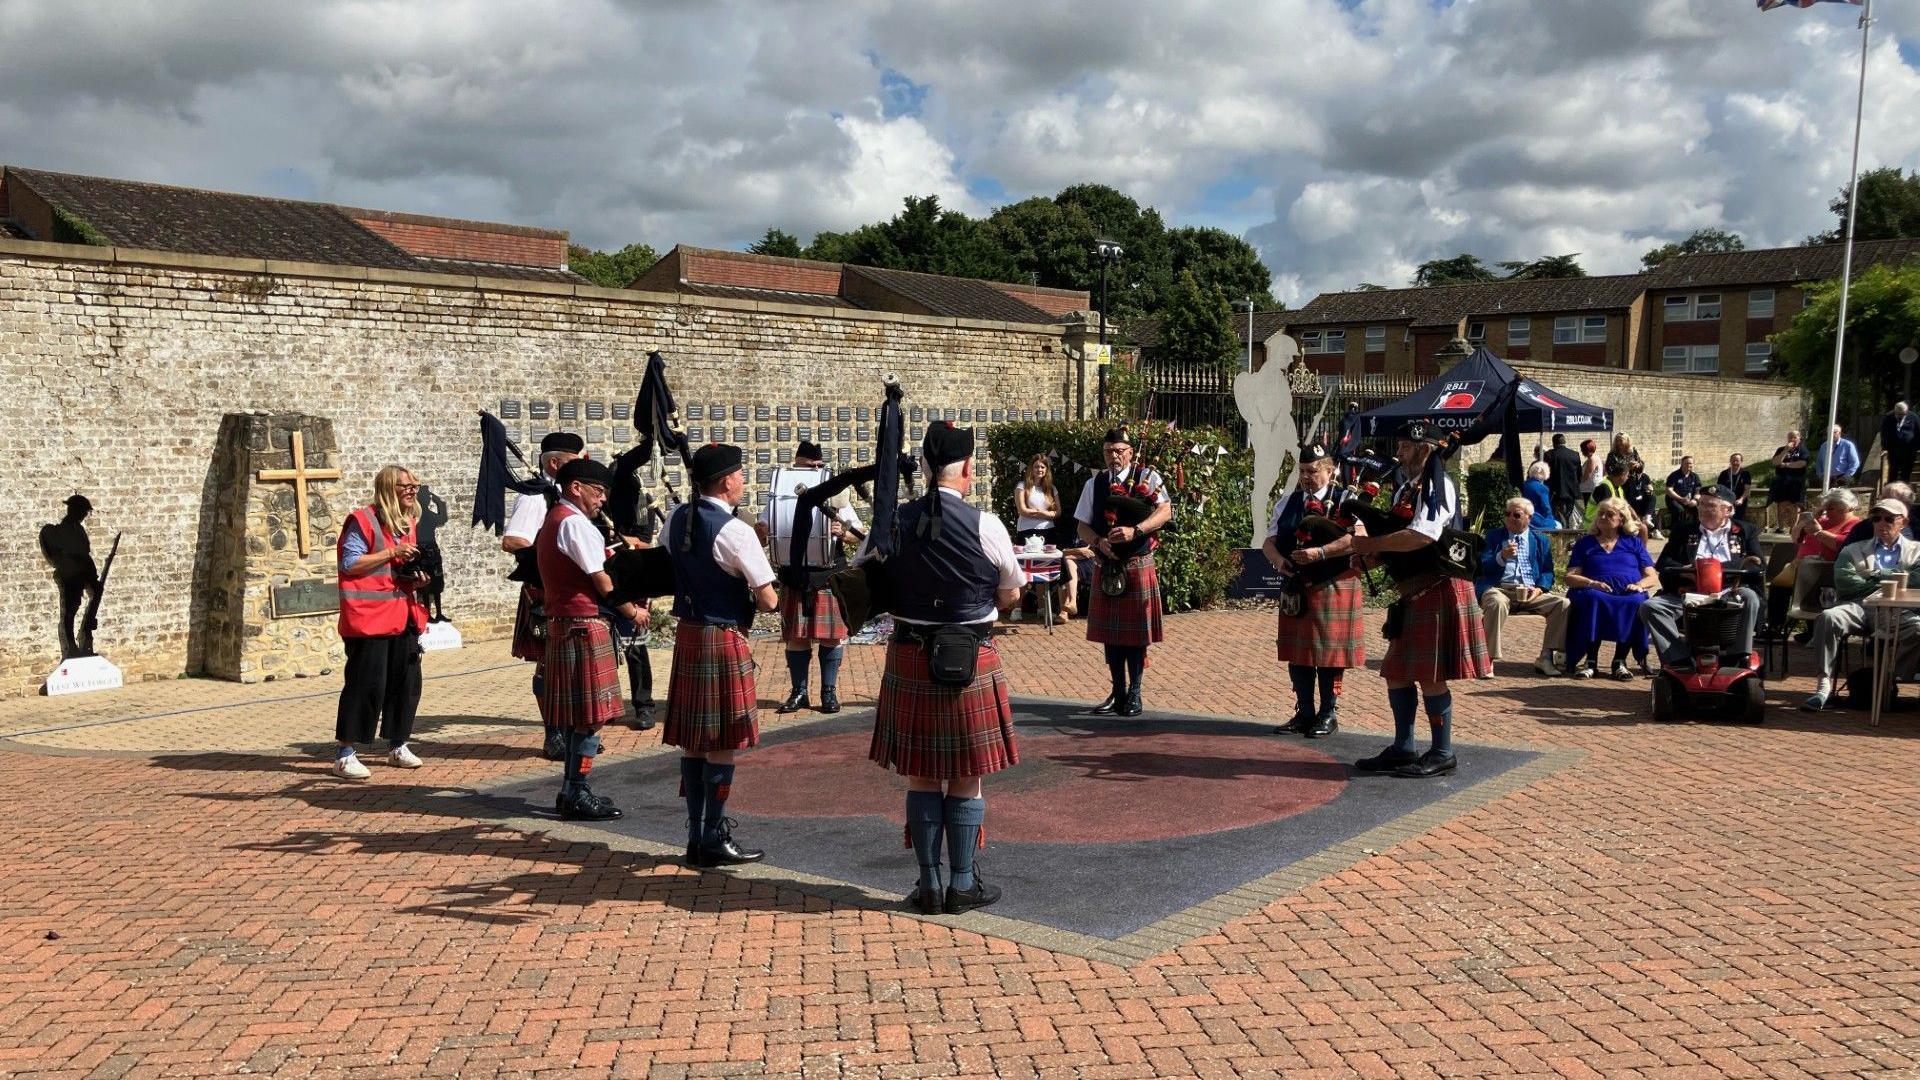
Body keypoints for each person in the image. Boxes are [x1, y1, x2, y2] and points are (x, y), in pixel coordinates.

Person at [864, 422, 1024, 915]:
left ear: (928, 470)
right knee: (966, 776)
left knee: (920, 775)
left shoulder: (892, 520)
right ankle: (961, 883)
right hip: (969, 658)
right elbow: (1012, 591)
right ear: (968, 470)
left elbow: (866, 576)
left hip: (909, 657)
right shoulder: (986, 523)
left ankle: (928, 884)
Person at [1297, 421, 1488, 778]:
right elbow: (1397, 534)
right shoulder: (1409, 488)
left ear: (1424, 449)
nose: (1398, 452)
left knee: (1430, 677)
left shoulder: (1438, 486)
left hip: (1439, 588)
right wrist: (1372, 554)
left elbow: (1424, 535)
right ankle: (1404, 748)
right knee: (1397, 673)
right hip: (1414, 592)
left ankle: (1443, 751)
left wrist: (1373, 544)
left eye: (1404, 445)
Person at [664, 443, 780, 864]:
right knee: (721, 744)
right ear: (727, 480)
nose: (744, 481)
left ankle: (696, 835)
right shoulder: (736, 531)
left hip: (689, 634)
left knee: (694, 744)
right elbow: (768, 600)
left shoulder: (677, 518)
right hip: (722, 636)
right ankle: (713, 834)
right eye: (741, 475)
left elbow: (666, 561)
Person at [536, 458, 649, 820]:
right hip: (584, 625)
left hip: (564, 625)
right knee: (589, 719)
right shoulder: (575, 523)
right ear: (576, 488)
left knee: (576, 718)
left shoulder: (554, 520)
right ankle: (578, 791)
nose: (602, 500)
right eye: (598, 492)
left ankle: (570, 790)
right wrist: (634, 612)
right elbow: (602, 581)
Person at [332, 466, 430, 780]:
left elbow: (395, 571)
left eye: (416, 484)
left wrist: (416, 578)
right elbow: (350, 562)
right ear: (389, 487)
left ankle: (398, 745)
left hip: (402, 615)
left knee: (406, 683)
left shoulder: (408, 521)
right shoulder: (363, 521)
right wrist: (391, 552)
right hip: (368, 619)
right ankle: (345, 755)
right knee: (365, 685)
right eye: (407, 485)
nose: (413, 490)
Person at [1262, 443, 1366, 737]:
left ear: (1331, 471)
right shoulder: (1288, 502)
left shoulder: (1347, 499)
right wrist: (1279, 561)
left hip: (1335, 582)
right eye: (1303, 471)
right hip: (1297, 585)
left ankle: (1328, 713)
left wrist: (1320, 553)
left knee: (1328, 655)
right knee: (1299, 653)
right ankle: (1304, 711)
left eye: (1313, 471)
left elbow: (1358, 538)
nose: (1307, 477)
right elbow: (1268, 542)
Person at [1075, 427, 1173, 716]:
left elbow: (1166, 511)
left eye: (1119, 451)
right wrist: (1098, 541)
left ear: (1130, 452)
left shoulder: (1147, 477)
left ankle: (1135, 693)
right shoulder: (1095, 484)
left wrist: (1136, 530)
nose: (1113, 456)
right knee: (1112, 636)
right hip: (1107, 566)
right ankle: (1117, 692)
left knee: (1136, 637)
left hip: (1136, 563)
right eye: (1108, 451)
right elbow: (1082, 525)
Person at [758, 441, 861, 715]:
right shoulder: (781, 493)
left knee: (831, 637)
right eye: (809, 466)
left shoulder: (833, 493)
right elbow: (766, 532)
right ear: (796, 464)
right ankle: (799, 692)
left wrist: (843, 532)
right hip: (795, 574)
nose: (816, 470)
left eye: (819, 465)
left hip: (828, 574)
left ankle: (829, 692)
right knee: (797, 636)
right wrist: (760, 532)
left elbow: (858, 533)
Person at [502, 431, 583, 761]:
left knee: (574, 665)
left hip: (570, 591)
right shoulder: (535, 497)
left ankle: (574, 732)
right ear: (554, 463)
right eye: (574, 463)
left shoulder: (566, 497)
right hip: (543, 592)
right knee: (549, 668)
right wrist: (551, 553)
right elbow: (512, 540)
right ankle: (554, 735)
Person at [1801, 499, 1920, 710]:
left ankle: (1888, 678)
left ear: (1904, 522)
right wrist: (1893, 580)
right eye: (1876, 518)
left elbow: (1917, 581)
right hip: (1858, 605)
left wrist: (1874, 574)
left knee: (1917, 628)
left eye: (1889, 518)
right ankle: (1823, 685)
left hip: (1898, 609)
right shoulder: (1852, 549)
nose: (1882, 523)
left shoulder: (1916, 551)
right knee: (1828, 617)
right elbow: (1846, 584)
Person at [1640, 486, 1763, 669]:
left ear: (1728, 510)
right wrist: (1686, 570)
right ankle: (1679, 659)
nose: (1702, 509)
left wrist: (1715, 569)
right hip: (1690, 593)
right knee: (1650, 606)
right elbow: (1664, 563)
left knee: (1750, 597)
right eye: (1701, 504)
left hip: (1730, 591)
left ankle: (1737, 657)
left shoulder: (1745, 531)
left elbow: (1757, 564)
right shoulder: (1683, 530)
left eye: (1710, 505)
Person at [1563, 499, 1657, 679]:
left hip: (1626, 592)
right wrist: (1591, 583)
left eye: (1609, 514)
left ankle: (1619, 661)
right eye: (1600, 514)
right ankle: (1590, 661)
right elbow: (1570, 576)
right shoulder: (1585, 543)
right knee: (1592, 599)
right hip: (1594, 591)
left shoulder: (1633, 543)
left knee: (1637, 601)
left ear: (1621, 519)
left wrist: (1639, 585)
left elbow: (1652, 576)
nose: (1603, 517)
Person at [1475, 497, 1568, 676]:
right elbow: (1481, 566)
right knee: (1497, 603)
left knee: (1562, 604)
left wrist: (1539, 589)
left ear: (1529, 518)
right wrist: (1501, 556)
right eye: (1507, 514)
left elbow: (1548, 572)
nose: (1510, 518)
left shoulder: (1540, 540)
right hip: (1500, 588)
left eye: (1516, 515)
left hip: (1529, 592)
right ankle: (1487, 659)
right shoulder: (1495, 536)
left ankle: (1546, 657)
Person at [1014, 454, 1080, 617]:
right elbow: (1022, 510)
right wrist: (1044, 513)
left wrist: (1040, 513)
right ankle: (1017, 608)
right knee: (1023, 568)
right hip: (1026, 532)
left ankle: (1044, 608)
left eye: (1043, 467)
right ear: (1031, 468)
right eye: (1036, 466)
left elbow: (1057, 512)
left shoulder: (1051, 489)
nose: (1039, 470)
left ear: (1047, 470)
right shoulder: (1022, 486)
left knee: (1046, 568)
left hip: (1047, 533)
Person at [38, 494, 100, 659]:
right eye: (83, 512)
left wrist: (93, 577)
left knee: (95, 595)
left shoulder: (78, 529)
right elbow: (69, 555)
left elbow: (85, 554)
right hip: (71, 575)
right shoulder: (61, 530)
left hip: (83, 573)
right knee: (70, 611)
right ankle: (71, 646)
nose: (84, 515)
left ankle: (86, 632)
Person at [1792, 488, 1860, 561]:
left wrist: (1818, 533)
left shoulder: (1857, 525)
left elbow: (1845, 545)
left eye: (1830, 509)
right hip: (1800, 565)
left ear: (1847, 508)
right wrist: (1812, 517)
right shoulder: (1823, 521)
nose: (1827, 513)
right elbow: (1795, 538)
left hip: (1824, 569)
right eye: (1825, 509)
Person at [1843, 481, 1916, 545]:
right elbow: (1845, 553)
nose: (1882, 502)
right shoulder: (1863, 527)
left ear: (1906, 505)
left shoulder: (1915, 528)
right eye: (1882, 498)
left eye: (1888, 500)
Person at [1769, 430, 1811, 532]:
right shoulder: (1781, 449)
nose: (1792, 439)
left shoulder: (1803, 450)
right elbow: (1775, 462)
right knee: (1781, 505)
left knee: (1795, 506)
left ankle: (1793, 528)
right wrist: (1785, 451)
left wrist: (1786, 465)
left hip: (1797, 483)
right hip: (1782, 482)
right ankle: (1781, 528)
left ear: (1799, 438)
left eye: (1794, 437)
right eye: (1790, 437)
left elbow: (1802, 463)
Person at [1544, 433, 1582, 530]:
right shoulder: (1575, 455)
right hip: (1572, 493)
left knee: (1559, 520)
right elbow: (1579, 475)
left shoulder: (1549, 455)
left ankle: (1563, 541)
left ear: (1553, 443)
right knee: (1572, 520)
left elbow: (1546, 475)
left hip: (1556, 493)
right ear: (1565, 442)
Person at [1882, 402, 1918, 483]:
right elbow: (1884, 433)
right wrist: (1884, 447)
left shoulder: (1914, 417)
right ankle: (1891, 490)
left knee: (1906, 472)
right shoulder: (1888, 417)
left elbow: (1918, 432)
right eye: (1899, 414)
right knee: (1893, 471)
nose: (1901, 416)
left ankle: (1904, 490)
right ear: (1895, 411)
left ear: (1907, 411)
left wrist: (1917, 447)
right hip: (1893, 450)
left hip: (1909, 450)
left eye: (1903, 414)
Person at [1664, 455, 1701, 533]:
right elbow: (1668, 490)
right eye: (1686, 463)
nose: (1689, 465)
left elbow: (1698, 490)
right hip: (1674, 499)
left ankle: (1695, 530)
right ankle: (1676, 531)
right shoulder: (1674, 475)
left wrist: (1695, 500)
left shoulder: (1695, 476)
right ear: (1682, 464)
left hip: (1689, 500)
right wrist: (1681, 499)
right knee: (1679, 510)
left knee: (1700, 508)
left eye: (1690, 463)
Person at [1624, 460, 1658, 540]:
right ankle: (1653, 530)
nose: (1639, 472)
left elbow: (1650, 488)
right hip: (1632, 503)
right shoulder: (1629, 478)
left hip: (1642, 502)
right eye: (1637, 469)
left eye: (1640, 468)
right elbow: (1628, 495)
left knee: (1652, 497)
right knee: (1650, 509)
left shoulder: (1645, 477)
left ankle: (1647, 518)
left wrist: (1650, 490)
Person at [1520, 461, 1558, 529]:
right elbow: (1546, 508)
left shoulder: (1524, 485)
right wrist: (1551, 520)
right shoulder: (1542, 488)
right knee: (1558, 525)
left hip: (1523, 518)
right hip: (1537, 520)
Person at [1717, 453, 1753, 525]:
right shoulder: (1724, 474)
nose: (1735, 463)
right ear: (1730, 461)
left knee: (1738, 522)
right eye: (1733, 461)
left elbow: (1747, 490)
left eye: (1737, 461)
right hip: (1726, 502)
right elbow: (1719, 489)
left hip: (1739, 502)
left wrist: (1741, 499)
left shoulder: (1745, 474)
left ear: (1741, 462)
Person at [1578, 439, 1603, 508]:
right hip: (1589, 489)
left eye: (1582, 449)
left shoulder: (1592, 459)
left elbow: (1587, 476)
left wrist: (1576, 483)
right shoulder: (1591, 459)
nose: (1581, 451)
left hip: (1590, 490)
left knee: (1590, 510)